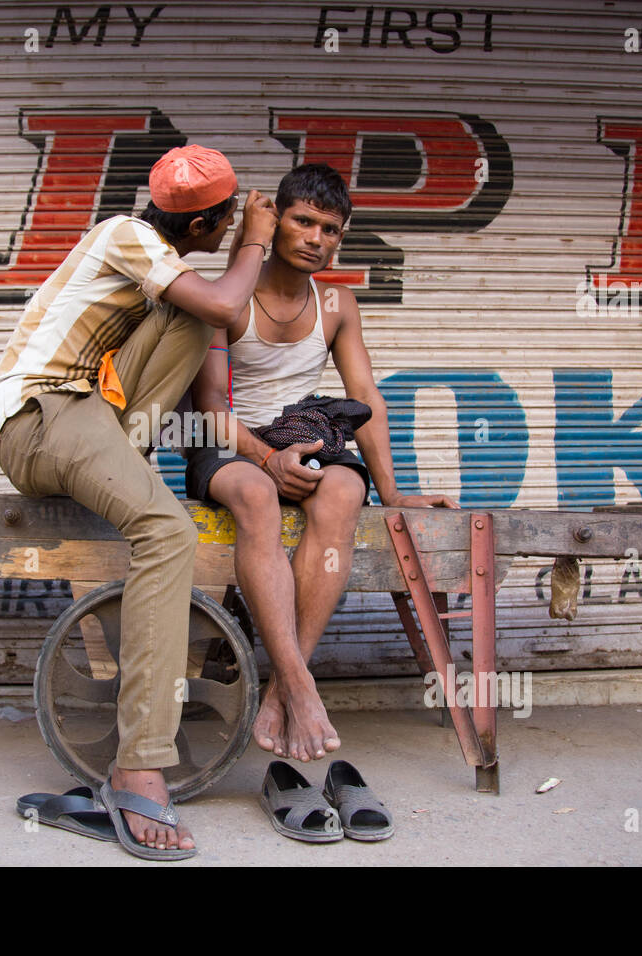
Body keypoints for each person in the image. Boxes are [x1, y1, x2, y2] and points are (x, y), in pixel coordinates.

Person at [0, 145, 278, 859]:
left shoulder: (160, 255)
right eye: (228, 223)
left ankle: (129, 461)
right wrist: (259, 242)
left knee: (189, 317)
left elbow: (213, 315)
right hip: (41, 416)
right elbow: (228, 301)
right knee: (168, 534)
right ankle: (137, 761)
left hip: (90, 413)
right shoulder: (125, 233)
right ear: (209, 223)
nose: (232, 233)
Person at [186, 163, 456, 764]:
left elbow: (368, 398)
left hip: (301, 435)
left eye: (330, 229)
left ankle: (285, 688)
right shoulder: (229, 293)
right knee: (256, 496)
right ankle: (303, 690)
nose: (315, 238)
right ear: (275, 220)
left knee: (341, 493)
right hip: (231, 444)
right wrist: (265, 457)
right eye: (302, 221)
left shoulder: (336, 302)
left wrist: (393, 493)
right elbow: (207, 405)